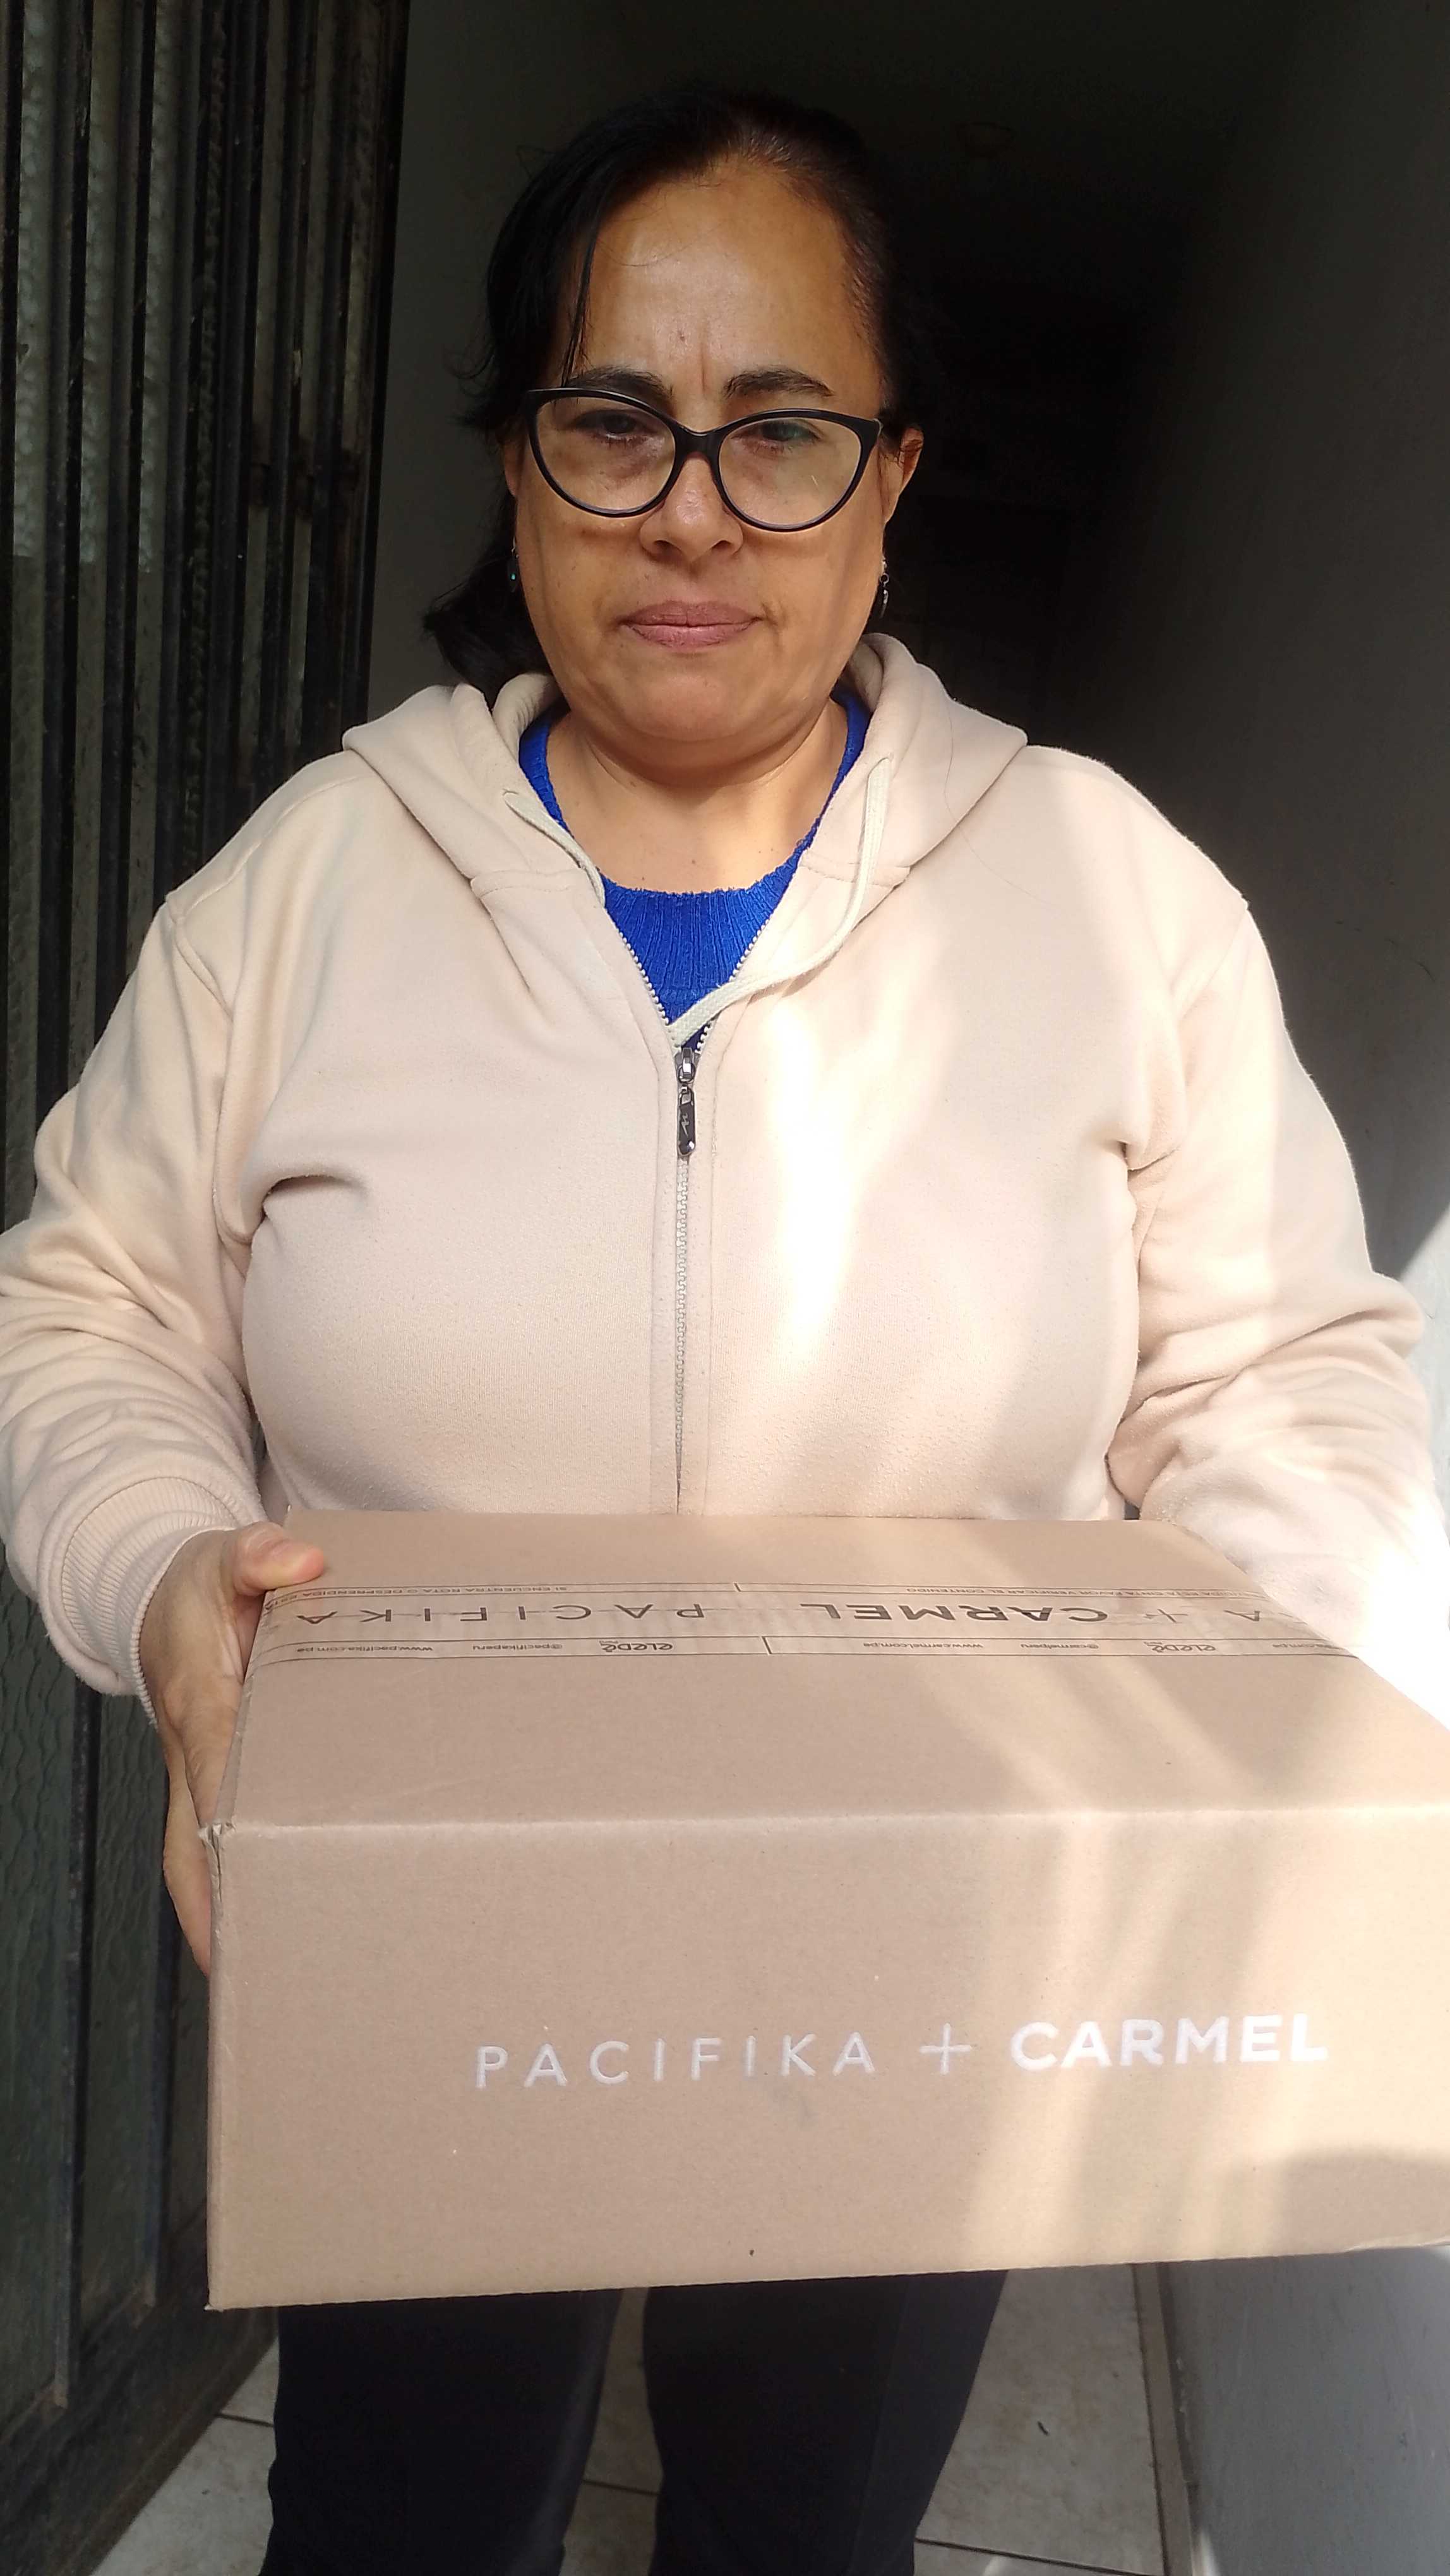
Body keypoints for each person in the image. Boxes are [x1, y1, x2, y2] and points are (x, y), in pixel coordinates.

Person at [0, 80, 1446, 2576]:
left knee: (806, 2514)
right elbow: (93, 1300)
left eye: (779, 430)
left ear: (892, 481)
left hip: (927, 1944)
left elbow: (1290, 1370)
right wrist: (159, 1573)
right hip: (429, 1924)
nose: (691, 508)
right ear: (519, 467)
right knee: (401, 2512)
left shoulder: (1111, 900)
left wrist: (1205, 1714)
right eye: (614, 421)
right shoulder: (309, 888)